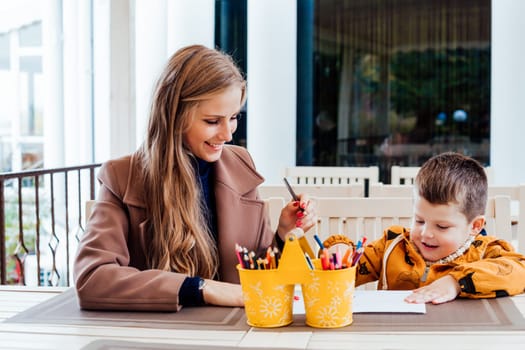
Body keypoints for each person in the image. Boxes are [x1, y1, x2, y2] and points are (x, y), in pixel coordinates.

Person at [73, 45, 316, 311]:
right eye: (212, 121)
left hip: (235, 330)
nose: (228, 134)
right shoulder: (123, 177)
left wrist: (281, 237)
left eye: (233, 117)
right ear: (175, 117)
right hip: (157, 334)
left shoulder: (240, 164)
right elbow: (92, 278)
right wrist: (201, 288)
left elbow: (254, 269)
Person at [349, 152, 525, 304]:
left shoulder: (485, 251)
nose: (425, 233)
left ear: (475, 226)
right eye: (419, 221)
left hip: (460, 339)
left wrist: (456, 282)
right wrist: (339, 250)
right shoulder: (392, 245)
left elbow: (520, 271)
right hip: (395, 337)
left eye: (442, 226)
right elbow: (345, 268)